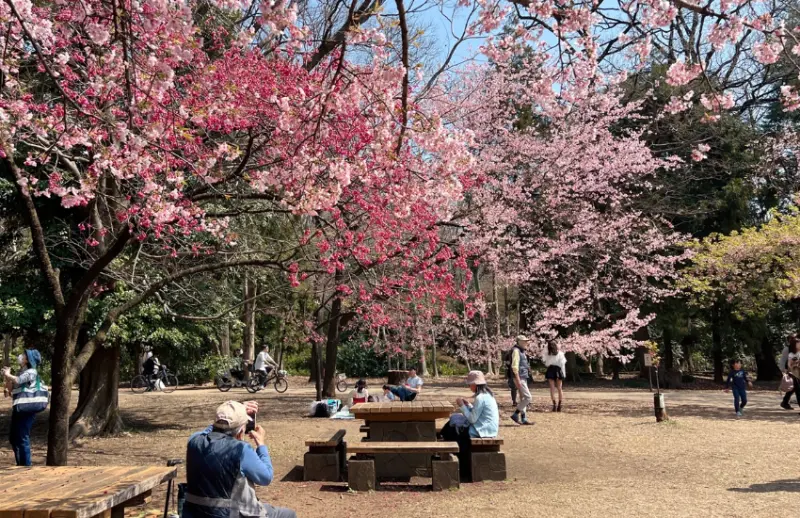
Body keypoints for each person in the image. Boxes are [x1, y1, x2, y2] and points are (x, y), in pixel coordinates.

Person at [184, 400, 296, 518]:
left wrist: (229, 415)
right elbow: (266, 477)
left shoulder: (193, 441)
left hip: (194, 513)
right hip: (232, 514)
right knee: (288, 514)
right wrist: (261, 444)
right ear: (241, 431)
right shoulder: (241, 449)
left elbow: (207, 431)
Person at [440, 371, 499, 481]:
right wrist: (469, 405)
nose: (469, 386)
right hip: (489, 428)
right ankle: (447, 452)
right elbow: (478, 413)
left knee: (452, 430)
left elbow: (472, 419)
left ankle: (456, 464)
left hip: (482, 430)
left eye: (470, 384)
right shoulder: (488, 395)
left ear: (475, 385)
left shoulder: (480, 397)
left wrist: (462, 406)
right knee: (452, 426)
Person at [2, 349, 43, 466]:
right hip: (18, 408)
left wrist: (9, 375)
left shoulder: (32, 372)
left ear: (27, 360)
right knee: (14, 438)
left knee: (22, 437)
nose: (21, 356)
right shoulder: (21, 372)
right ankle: (20, 464)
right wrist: (7, 377)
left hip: (27, 410)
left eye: (24, 355)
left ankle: (26, 466)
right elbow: (8, 392)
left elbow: (19, 380)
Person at [509, 335, 533, 425]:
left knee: (523, 398)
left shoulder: (522, 351)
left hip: (523, 376)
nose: (526, 343)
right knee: (528, 397)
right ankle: (515, 414)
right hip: (519, 377)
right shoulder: (516, 351)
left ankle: (524, 418)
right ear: (519, 342)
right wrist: (518, 379)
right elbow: (514, 366)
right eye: (524, 341)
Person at [543, 341, 566, 412]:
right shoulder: (561, 354)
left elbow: (546, 364)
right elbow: (562, 364)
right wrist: (563, 374)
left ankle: (554, 405)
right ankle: (559, 405)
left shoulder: (547, 354)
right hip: (558, 370)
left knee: (552, 388)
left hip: (550, 370)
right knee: (559, 388)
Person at [780, 335, 799, 410]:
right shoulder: (787, 349)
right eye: (793, 338)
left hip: (797, 370)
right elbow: (783, 360)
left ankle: (785, 402)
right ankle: (785, 402)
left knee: (794, 387)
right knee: (796, 387)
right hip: (791, 370)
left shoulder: (798, 348)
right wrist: (783, 370)